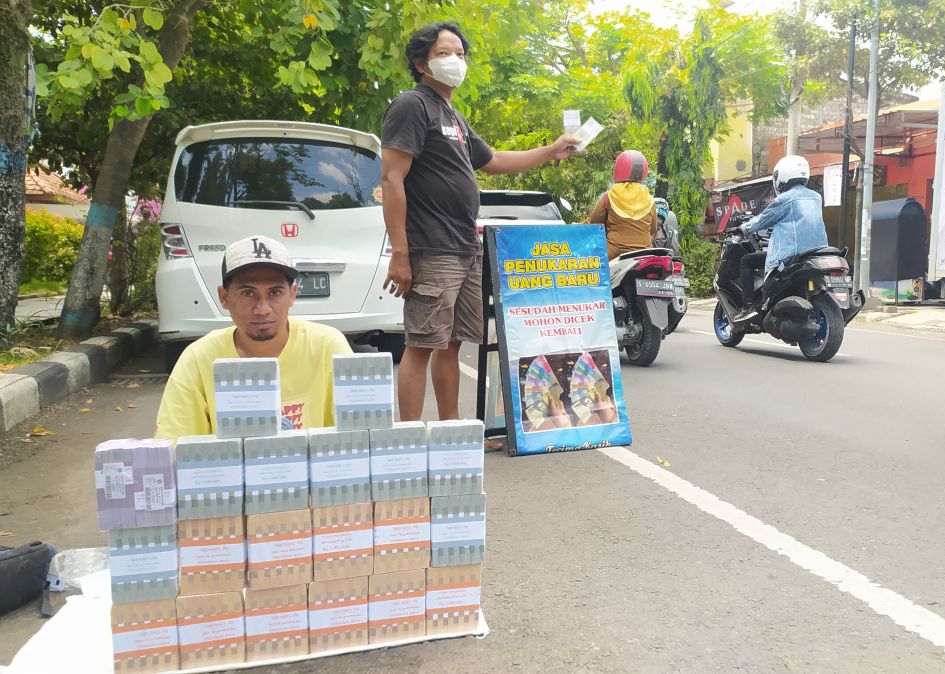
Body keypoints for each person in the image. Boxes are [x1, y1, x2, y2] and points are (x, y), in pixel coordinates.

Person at [381, 22, 580, 426]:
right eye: (444, 53)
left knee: (452, 345)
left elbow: (494, 161)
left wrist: (551, 150)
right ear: (421, 63)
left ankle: (451, 428)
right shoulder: (412, 106)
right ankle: (407, 438)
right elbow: (391, 178)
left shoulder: (452, 114)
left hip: (464, 246)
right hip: (431, 248)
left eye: (460, 53)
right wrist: (400, 253)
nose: (455, 60)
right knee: (420, 344)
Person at [156, 236, 352, 440]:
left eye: (275, 292)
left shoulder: (328, 347)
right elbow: (175, 446)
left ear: (292, 294)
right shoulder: (198, 360)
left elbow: (357, 438)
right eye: (248, 293)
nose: (262, 309)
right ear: (224, 297)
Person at [734, 155, 829, 319]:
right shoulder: (816, 197)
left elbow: (762, 220)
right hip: (818, 253)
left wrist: (742, 228)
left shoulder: (784, 199)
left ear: (783, 176)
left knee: (747, 261)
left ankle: (748, 307)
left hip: (791, 255)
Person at [587, 150, 655, 259]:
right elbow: (652, 229)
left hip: (614, 251)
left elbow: (594, 223)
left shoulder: (609, 196)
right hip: (645, 252)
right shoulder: (649, 199)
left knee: (592, 266)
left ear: (619, 168)